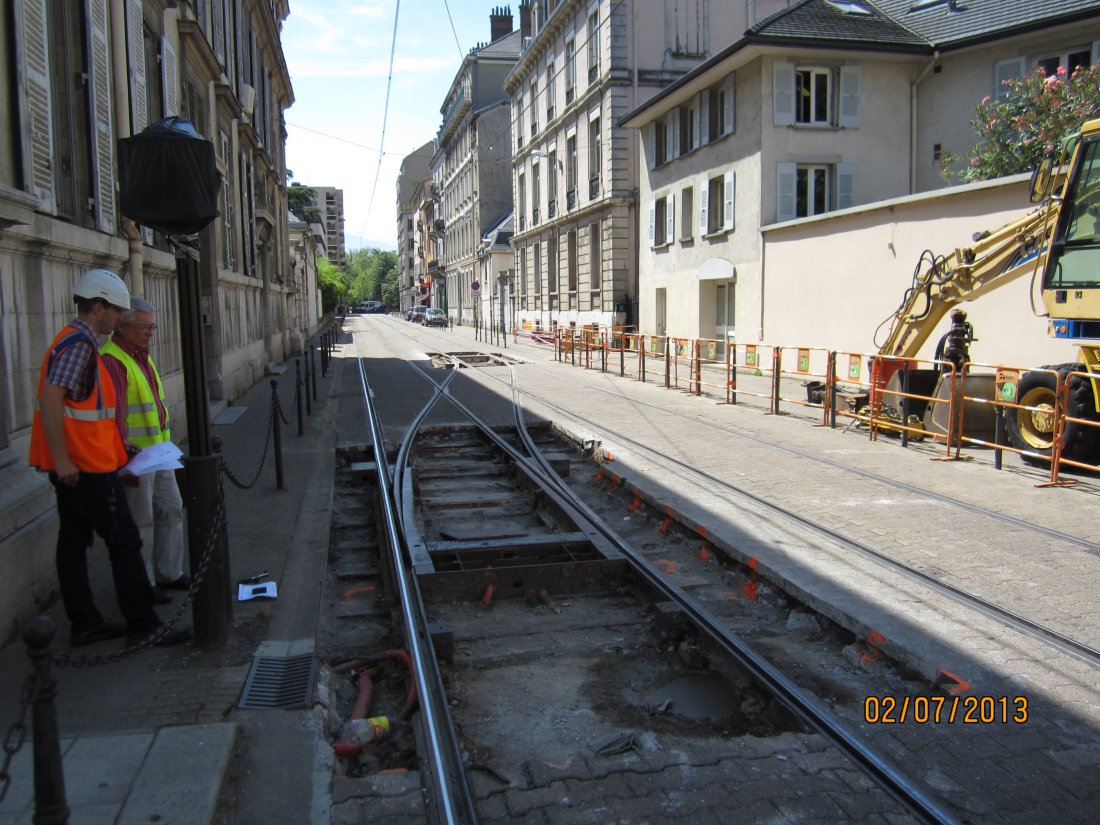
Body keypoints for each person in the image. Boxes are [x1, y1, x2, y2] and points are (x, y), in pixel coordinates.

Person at [28, 269, 188, 648]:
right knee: (125, 542)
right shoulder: (80, 346)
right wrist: (66, 460)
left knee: (74, 542)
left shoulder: (72, 342)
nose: (120, 318)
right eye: (116, 311)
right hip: (84, 468)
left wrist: (121, 450)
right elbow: (53, 399)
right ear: (96, 306)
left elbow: (91, 414)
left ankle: (85, 622)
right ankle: (142, 624)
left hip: (84, 462)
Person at [101, 297, 189, 602]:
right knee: (141, 521)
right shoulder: (113, 360)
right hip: (135, 459)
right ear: (121, 326)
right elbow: (112, 416)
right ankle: (144, 583)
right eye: (143, 326)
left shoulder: (142, 355)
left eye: (152, 326)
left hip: (159, 452)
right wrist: (124, 462)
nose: (150, 332)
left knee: (171, 509)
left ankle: (169, 572)